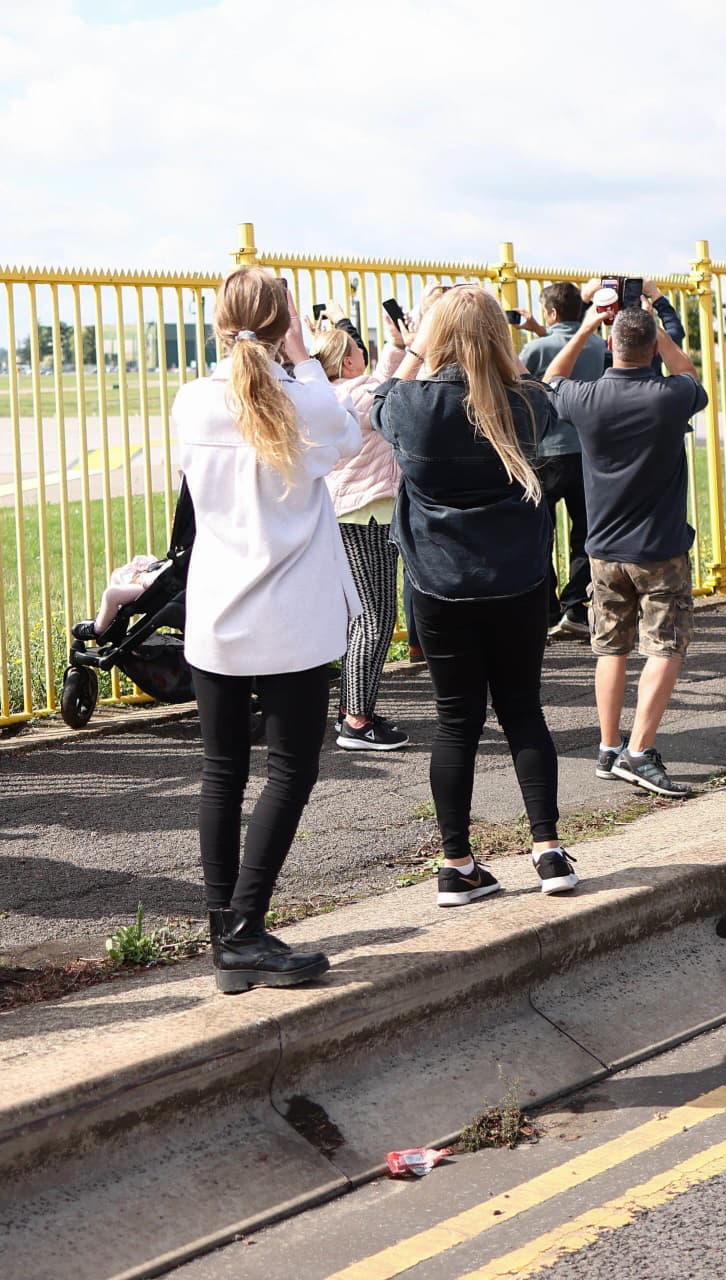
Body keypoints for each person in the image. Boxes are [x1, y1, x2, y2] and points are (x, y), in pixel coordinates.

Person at [170, 266, 360, 988]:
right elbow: (341, 432)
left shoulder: (193, 402)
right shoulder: (304, 401)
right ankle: (246, 927)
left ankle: (227, 932)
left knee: (222, 773)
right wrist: (304, 352)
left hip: (218, 606)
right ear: (287, 323)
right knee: (291, 769)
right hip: (293, 615)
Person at [379, 285, 578, 902]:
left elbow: (380, 402)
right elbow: (539, 394)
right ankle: (547, 851)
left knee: (455, 721)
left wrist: (413, 347)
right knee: (523, 709)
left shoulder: (411, 405)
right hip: (517, 578)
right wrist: (502, 355)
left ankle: (455, 863)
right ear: (500, 338)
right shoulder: (523, 404)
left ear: (433, 337)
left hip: (439, 584)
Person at [542, 288, 707, 798]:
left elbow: (552, 380)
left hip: (604, 550)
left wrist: (589, 323)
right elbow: (690, 376)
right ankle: (639, 751)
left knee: (610, 648)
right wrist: (657, 322)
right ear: (653, 347)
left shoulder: (586, 398)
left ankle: (609, 747)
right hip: (659, 550)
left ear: (611, 347)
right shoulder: (670, 397)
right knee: (665, 645)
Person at [315, 322, 407, 751]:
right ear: (348, 361)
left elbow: (388, 378)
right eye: (358, 348)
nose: (364, 353)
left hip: (346, 510)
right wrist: (416, 346)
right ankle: (356, 720)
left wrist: (396, 345)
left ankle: (353, 708)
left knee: (360, 616)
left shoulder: (331, 395)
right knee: (375, 618)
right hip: (368, 513)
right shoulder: (361, 394)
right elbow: (398, 386)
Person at [515, 281, 599, 636]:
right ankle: (576, 607)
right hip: (584, 451)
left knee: (538, 535)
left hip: (542, 451)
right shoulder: (595, 346)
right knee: (585, 533)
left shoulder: (535, 348)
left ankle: (545, 609)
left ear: (550, 313)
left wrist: (536, 333)